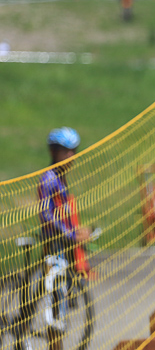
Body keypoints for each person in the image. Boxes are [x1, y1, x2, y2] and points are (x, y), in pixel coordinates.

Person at [38, 127, 92, 334]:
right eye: (65, 151)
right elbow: (46, 215)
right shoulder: (49, 178)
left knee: (66, 282)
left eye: (73, 151)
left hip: (65, 240)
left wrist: (76, 231)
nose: (71, 156)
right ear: (53, 152)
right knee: (55, 285)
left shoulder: (61, 177)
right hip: (53, 241)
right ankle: (54, 323)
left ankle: (59, 320)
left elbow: (64, 211)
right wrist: (69, 233)